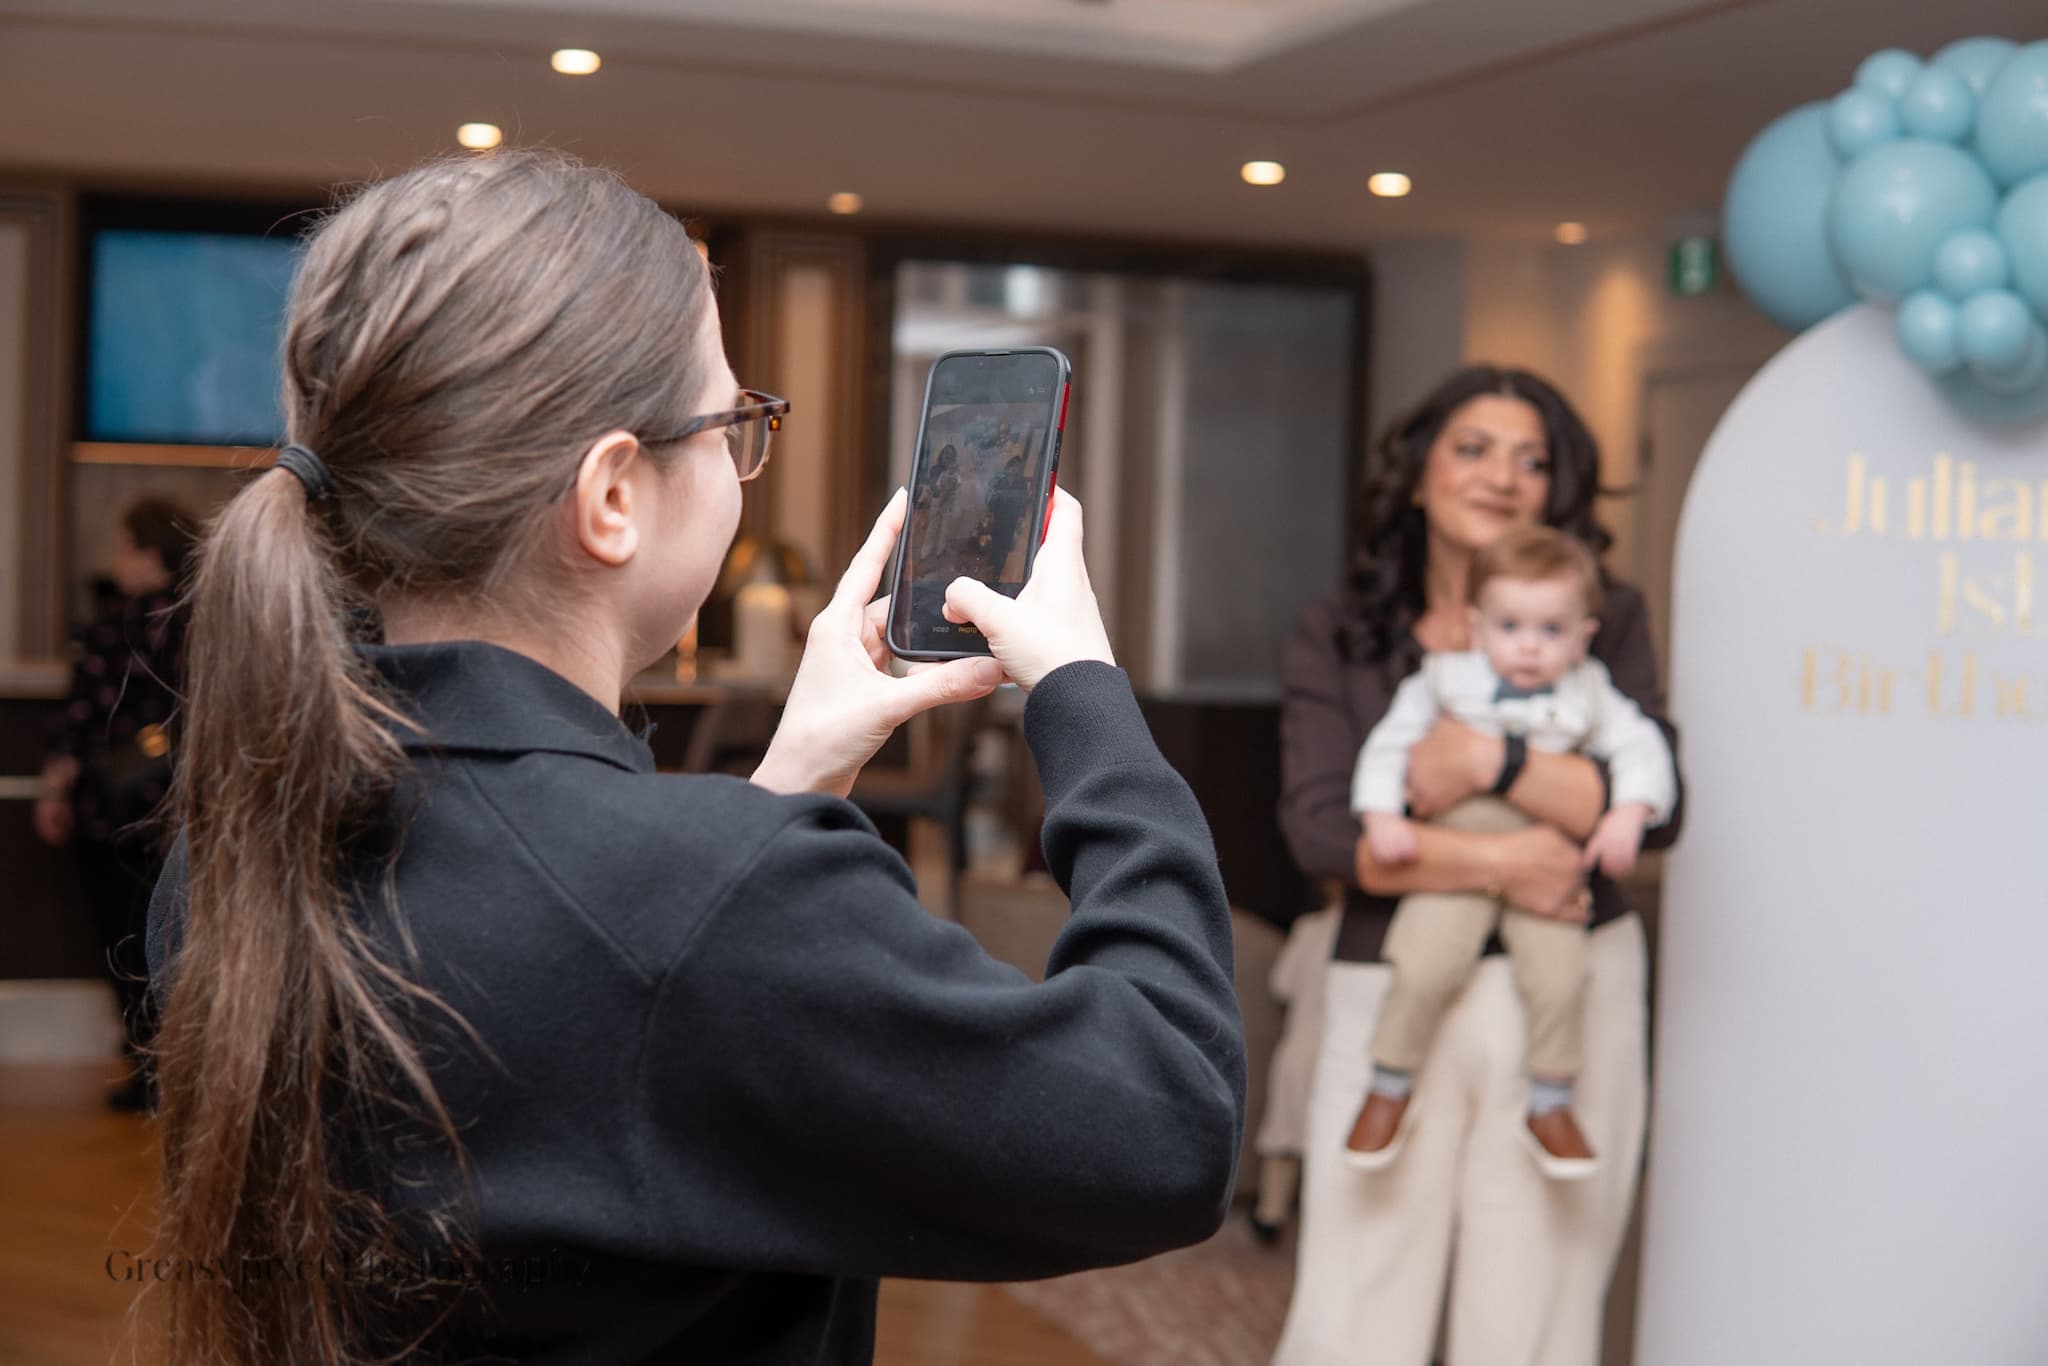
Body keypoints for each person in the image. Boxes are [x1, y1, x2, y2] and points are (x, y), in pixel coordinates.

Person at [143, 150, 1243, 1366]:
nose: (742, 459)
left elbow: (598, 1077)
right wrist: (1084, 698)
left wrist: (779, 790)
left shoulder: (224, 861)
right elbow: (1162, 1120)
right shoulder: (707, 901)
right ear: (612, 493)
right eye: (734, 423)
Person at [1271, 366, 1684, 1366]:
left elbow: (1656, 808)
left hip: (1568, 997)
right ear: (1415, 477)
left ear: (1556, 492)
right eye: (1472, 448)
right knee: (1352, 1305)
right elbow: (1323, 833)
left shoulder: (1602, 620)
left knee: (1532, 1314)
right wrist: (1511, 856)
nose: (1501, 475)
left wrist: (1487, 759)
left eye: (1530, 459)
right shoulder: (1344, 634)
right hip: (1393, 985)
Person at [1343, 525, 1676, 1180]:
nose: (1528, 646)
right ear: (1474, 626)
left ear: (1582, 636)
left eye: (1551, 631)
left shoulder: (1592, 691)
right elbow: (1387, 747)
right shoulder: (1440, 680)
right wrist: (1381, 813)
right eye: (1509, 625)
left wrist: (1627, 813)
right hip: (1455, 848)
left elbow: (1642, 750)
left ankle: (1550, 1103)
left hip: (1552, 852)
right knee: (1424, 964)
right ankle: (1388, 1084)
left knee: (1560, 978)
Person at [35, 496, 195, 1112]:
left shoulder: (114, 624)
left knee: (125, 939)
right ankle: (189, 1072)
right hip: (184, 811)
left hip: (115, 810)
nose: (117, 559)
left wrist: (55, 787)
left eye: (127, 546)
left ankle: (147, 1069)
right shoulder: (208, 618)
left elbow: (82, 715)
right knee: (181, 939)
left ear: (151, 555)